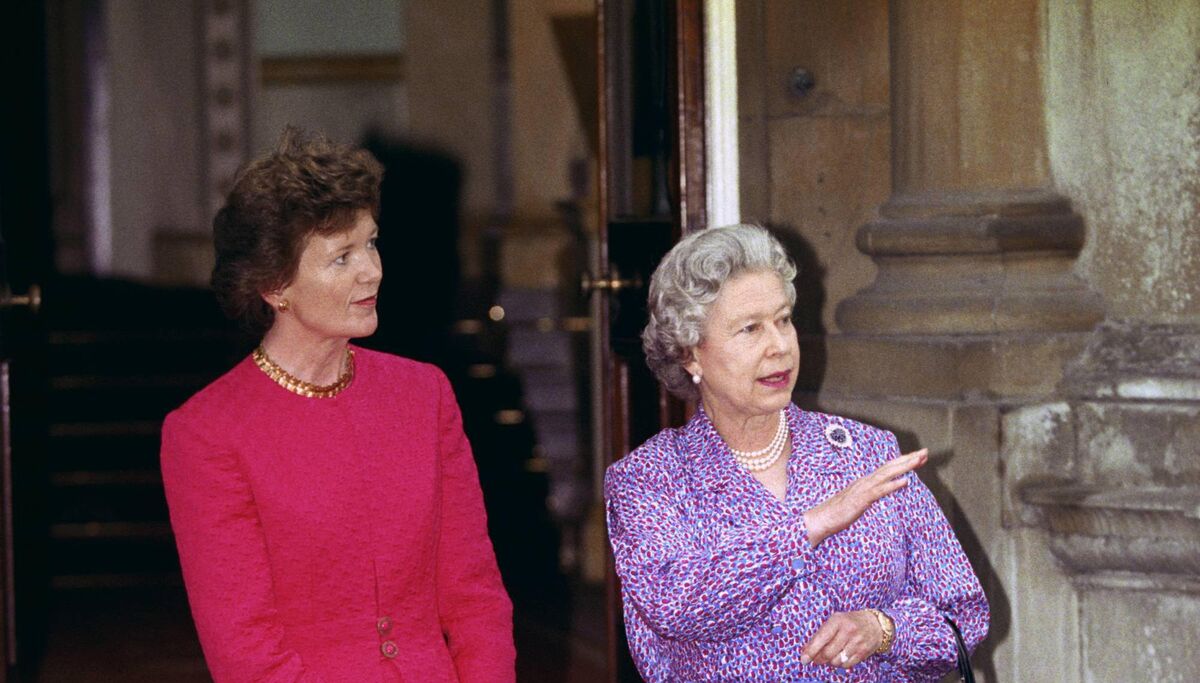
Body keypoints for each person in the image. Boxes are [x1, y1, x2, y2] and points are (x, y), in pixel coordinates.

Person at [160, 128, 515, 683]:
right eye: (341, 256)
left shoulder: (424, 396)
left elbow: (475, 596)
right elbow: (245, 649)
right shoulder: (206, 433)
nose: (371, 270)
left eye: (371, 243)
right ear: (275, 284)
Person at [605, 224, 988, 682]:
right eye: (750, 329)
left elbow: (962, 617)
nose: (779, 346)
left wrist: (884, 629)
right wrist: (808, 528)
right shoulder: (650, 479)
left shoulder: (866, 453)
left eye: (783, 319)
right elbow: (678, 604)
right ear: (691, 355)